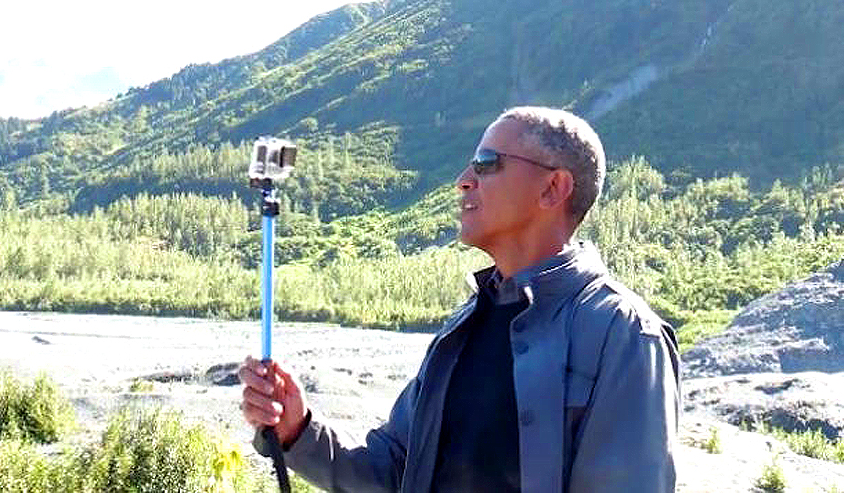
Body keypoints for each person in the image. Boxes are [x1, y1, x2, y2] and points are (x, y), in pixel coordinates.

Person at [240, 106, 681, 492]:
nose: (462, 181)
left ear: (553, 188)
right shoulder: (466, 324)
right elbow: (396, 468)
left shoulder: (624, 335)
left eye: (487, 163)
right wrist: (297, 430)